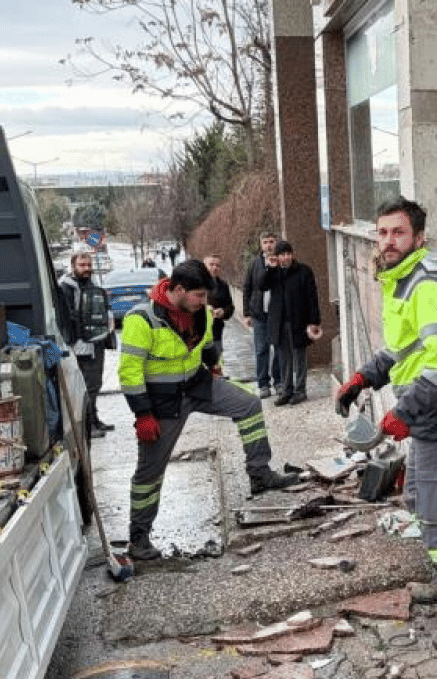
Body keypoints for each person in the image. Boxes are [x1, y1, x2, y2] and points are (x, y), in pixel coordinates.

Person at [335, 198, 437, 651]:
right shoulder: (401, 279)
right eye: (382, 232)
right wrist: (364, 377)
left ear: (419, 238)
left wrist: (403, 413)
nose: (388, 241)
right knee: (419, 499)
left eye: (399, 233)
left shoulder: (428, 284)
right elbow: (403, 349)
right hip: (433, 416)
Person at [118, 260, 298, 560]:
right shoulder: (141, 320)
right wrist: (143, 414)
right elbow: (129, 373)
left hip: (197, 384)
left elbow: (206, 345)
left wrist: (214, 366)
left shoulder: (198, 311)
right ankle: (139, 538)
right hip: (162, 402)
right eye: (199, 295)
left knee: (249, 404)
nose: (204, 302)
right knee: (150, 471)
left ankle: (260, 473)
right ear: (178, 290)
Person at [58, 250, 115, 437]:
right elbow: (66, 318)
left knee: (95, 384)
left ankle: (94, 420)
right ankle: (88, 426)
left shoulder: (92, 284)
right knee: (87, 386)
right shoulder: (66, 287)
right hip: (80, 345)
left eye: (89, 265)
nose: (86, 268)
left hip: (95, 342)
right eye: (82, 265)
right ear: (73, 266)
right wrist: (73, 342)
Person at [261, 240, 322, 406]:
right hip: (279, 323)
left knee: (299, 357)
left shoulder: (304, 271)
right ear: (277, 256)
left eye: (288, 253)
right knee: (284, 359)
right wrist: (270, 268)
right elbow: (261, 285)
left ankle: (300, 390)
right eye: (282, 254)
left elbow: (312, 297)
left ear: (292, 255)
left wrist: (314, 321)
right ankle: (287, 390)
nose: (286, 257)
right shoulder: (274, 273)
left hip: (299, 321)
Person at [242, 232, 283, 398]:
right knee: (261, 350)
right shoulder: (254, 263)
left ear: (276, 243)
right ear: (261, 244)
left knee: (278, 349)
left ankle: (278, 381)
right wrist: (247, 313)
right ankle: (263, 384)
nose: (268, 245)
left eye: (271, 241)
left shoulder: (280, 262)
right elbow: (247, 287)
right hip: (259, 314)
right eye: (265, 242)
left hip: (276, 314)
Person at [203, 254, 236, 369]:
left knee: (216, 365)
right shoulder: (195, 284)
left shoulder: (223, 285)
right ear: (204, 266)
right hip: (198, 333)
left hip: (216, 332)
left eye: (217, 265)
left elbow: (230, 306)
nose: (214, 268)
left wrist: (223, 311)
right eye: (211, 264)